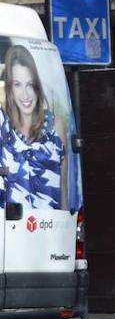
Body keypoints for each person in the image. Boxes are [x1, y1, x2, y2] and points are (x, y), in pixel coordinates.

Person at [0, 45, 68, 210]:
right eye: (17, 84)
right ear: (9, 88)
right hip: (9, 232)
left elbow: (63, 188)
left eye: (30, 84)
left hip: (48, 232)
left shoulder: (56, 126)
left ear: (38, 86)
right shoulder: (2, 124)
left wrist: (68, 231)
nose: (25, 94)